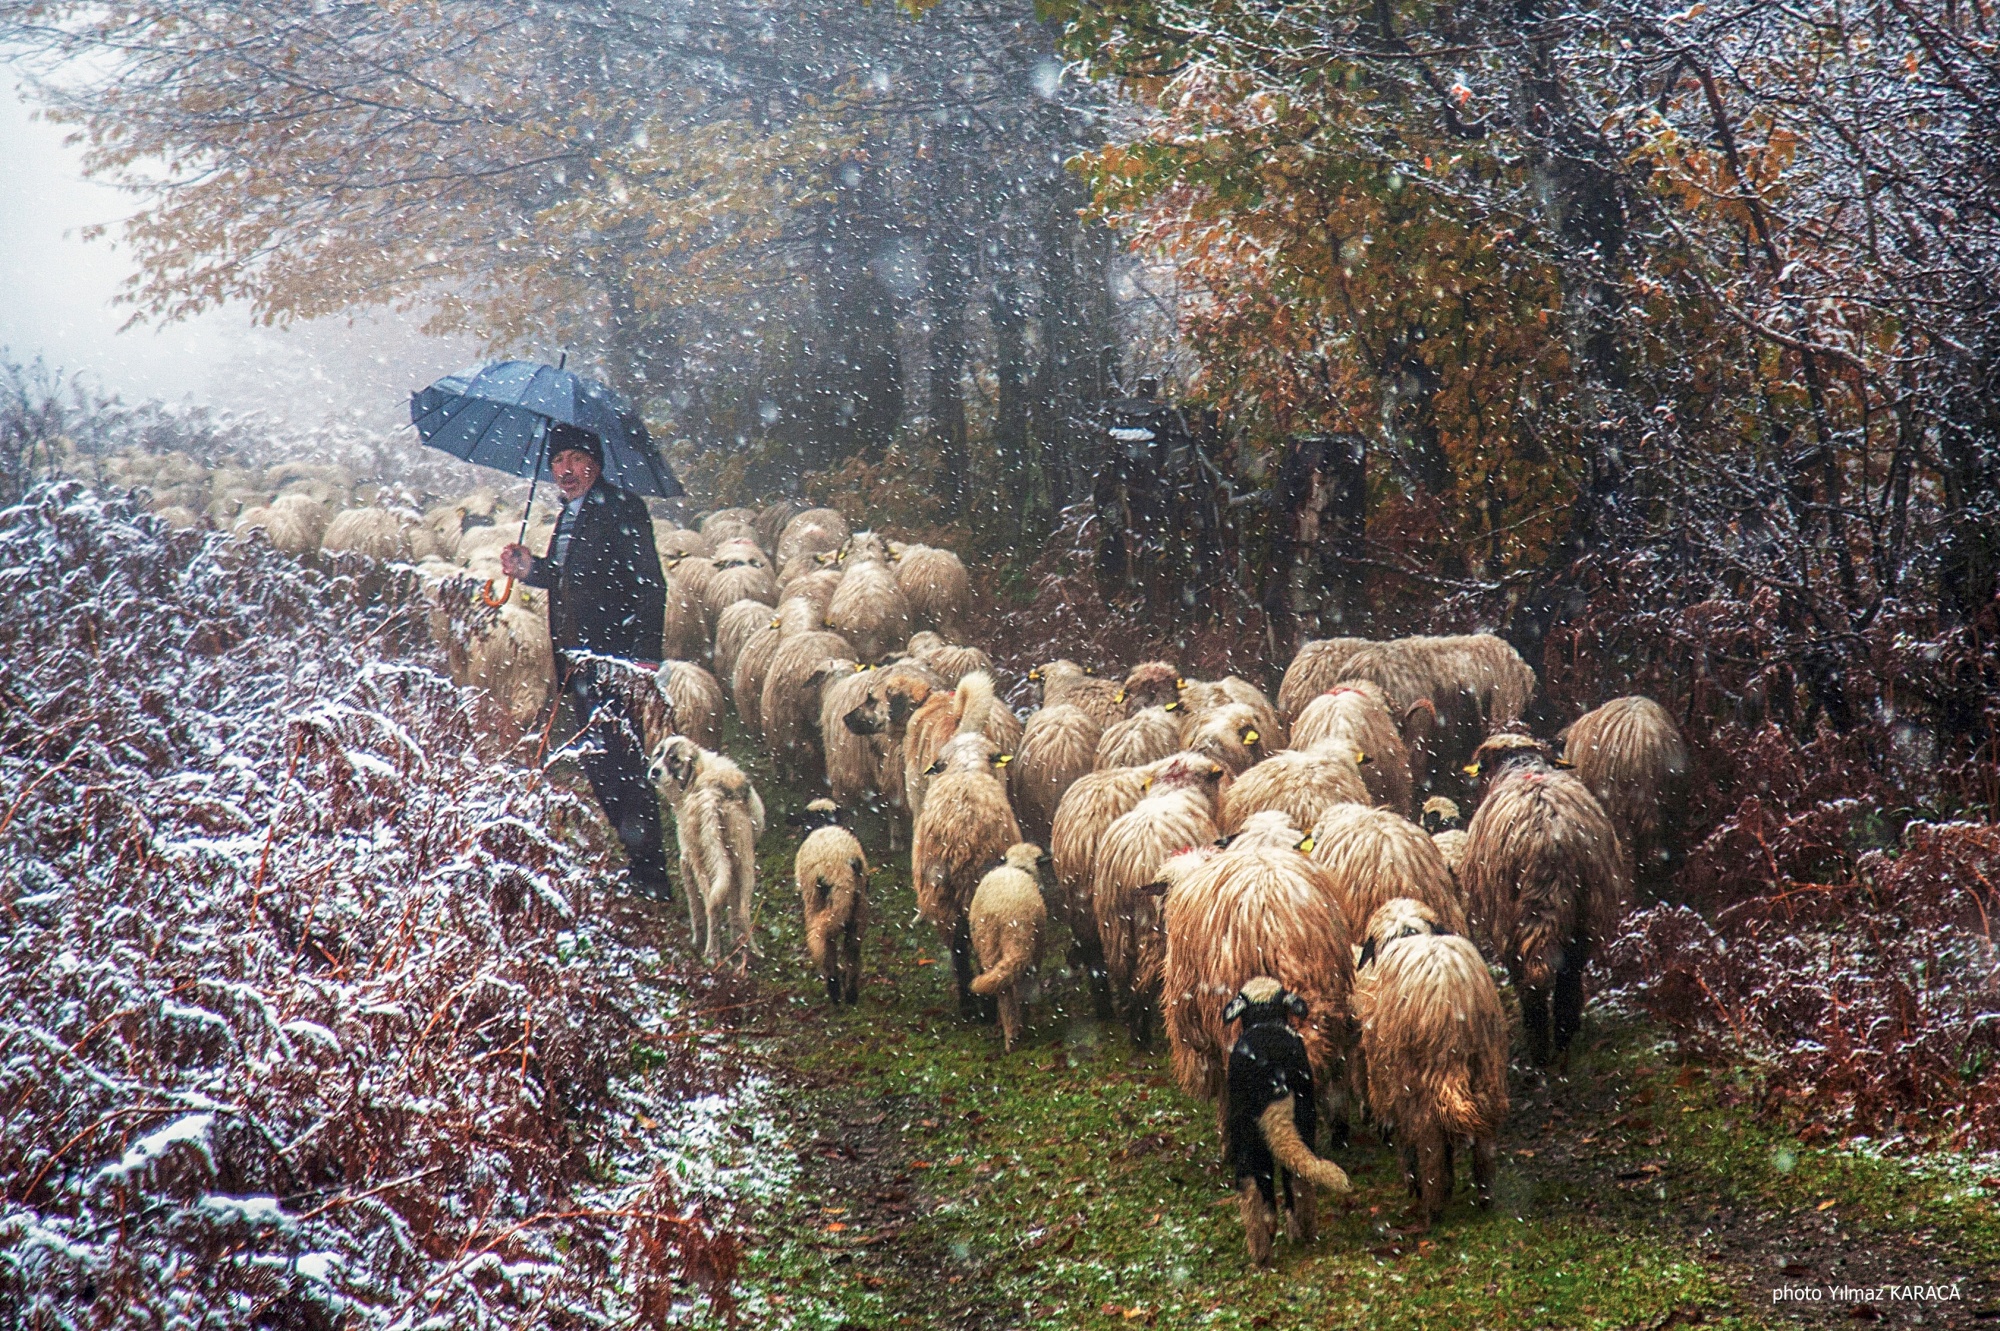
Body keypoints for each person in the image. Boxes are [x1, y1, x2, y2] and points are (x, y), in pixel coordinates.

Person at [499, 423, 671, 897]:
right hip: (577, 662)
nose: (565, 469)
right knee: (599, 766)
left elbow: (650, 583)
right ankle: (638, 863)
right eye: (557, 461)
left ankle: (651, 874)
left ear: (595, 462)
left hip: (615, 658)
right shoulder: (569, 515)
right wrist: (529, 568)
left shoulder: (622, 509)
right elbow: (564, 577)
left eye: (575, 458)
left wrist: (645, 656)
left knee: (623, 764)